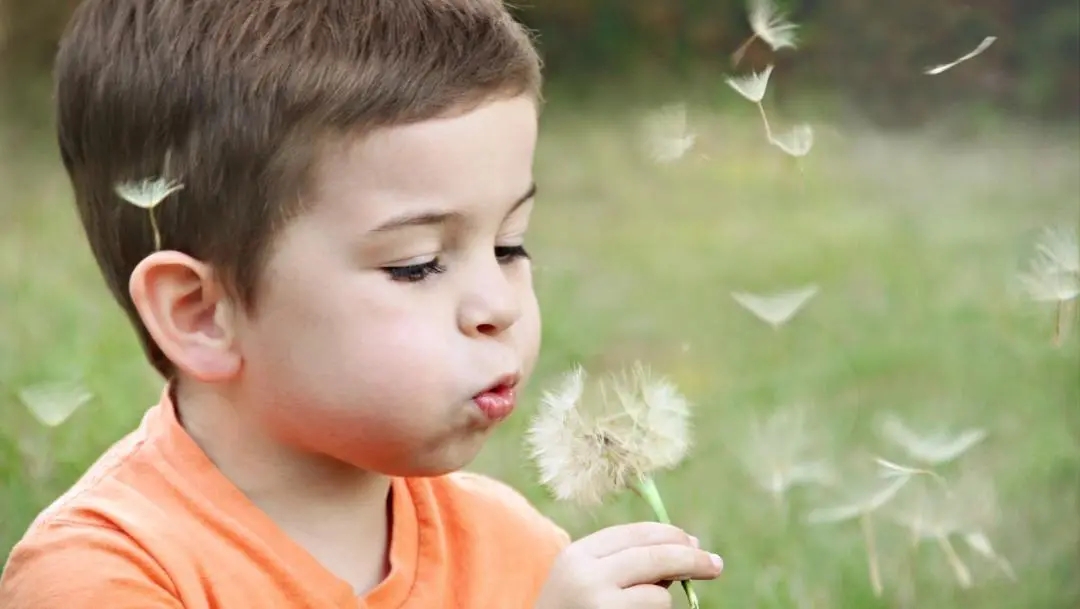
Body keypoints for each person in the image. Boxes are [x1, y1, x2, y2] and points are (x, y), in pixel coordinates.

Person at [0, 1, 725, 607]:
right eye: (415, 265)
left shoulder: (515, 549)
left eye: (509, 245)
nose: (497, 305)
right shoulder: (105, 575)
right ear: (201, 313)